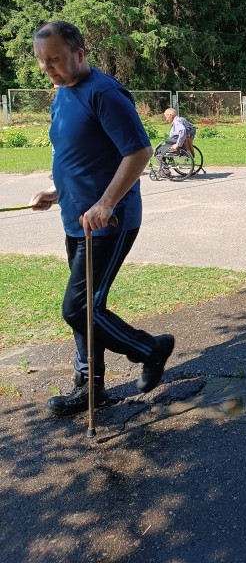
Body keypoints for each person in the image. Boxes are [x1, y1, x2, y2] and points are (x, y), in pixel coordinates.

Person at [30, 21, 175, 417]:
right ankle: (89, 386)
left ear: (79, 53)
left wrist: (107, 203)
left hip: (109, 222)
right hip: (76, 219)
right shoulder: (62, 94)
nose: (47, 68)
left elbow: (139, 152)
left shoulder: (105, 93)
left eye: (54, 59)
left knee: (78, 309)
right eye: (42, 61)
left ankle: (152, 349)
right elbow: (83, 156)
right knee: (89, 308)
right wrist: (55, 192)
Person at [154, 108, 197, 176]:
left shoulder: (176, 121)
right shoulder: (181, 119)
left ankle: (164, 172)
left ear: (170, 115)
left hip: (175, 143)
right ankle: (164, 170)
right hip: (178, 142)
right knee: (161, 148)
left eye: (166, 116)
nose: (166, 119)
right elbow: (192, 128)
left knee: (157, 151)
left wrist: (178, 144)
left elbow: (182, 130)